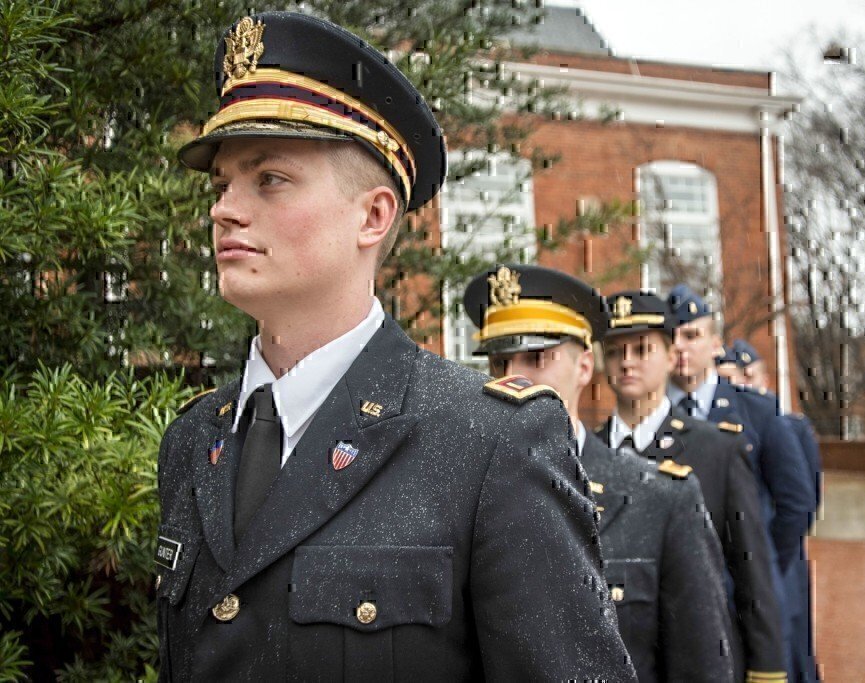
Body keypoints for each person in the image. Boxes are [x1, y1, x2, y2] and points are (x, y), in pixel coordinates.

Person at [157, 13, 636, 681]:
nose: (224, 209)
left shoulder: (488, 442)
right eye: (221, 185)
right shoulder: (192, 442)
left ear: (373, 215)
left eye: (269, 179)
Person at [463, 267, 734, 683]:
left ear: (585, 366)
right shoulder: (459, 494)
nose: (512, 378)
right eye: (499, 361)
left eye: (537, 358)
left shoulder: (660, 499)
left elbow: (700, 666)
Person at [593, 292, 788, 683]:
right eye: (615, 352)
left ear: (670, 357)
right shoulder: (586, 454)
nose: (627, 361)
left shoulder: (716, 449)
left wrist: (766, 668)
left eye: (642, 348)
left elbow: (750, 568)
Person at [666, 284, 816, 676]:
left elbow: (795, 503)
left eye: (692, 335)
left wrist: (760, 567)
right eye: (671, 337)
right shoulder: (650, 420)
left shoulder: (757, 412)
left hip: (749, 599)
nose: (681, 347)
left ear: (716, 344)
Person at [726, 339, 822, 683]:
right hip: (760, 557)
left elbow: (802, 501)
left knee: (792, 648)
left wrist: (770, 557)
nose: (742, 385)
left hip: (783, 557)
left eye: (748, 376)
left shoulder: (786, 424)